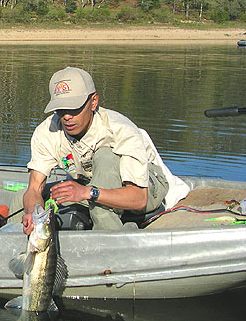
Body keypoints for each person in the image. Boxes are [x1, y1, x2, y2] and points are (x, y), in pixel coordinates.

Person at [22, 67, 190, 231]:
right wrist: (34, 215)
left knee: (105, 158)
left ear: (93, 102)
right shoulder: (47, 131)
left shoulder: (120, 130)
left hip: (144, 188)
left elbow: (139, 198)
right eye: (60, 109)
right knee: (22, 200)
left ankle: (111, 247)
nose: (67, 116)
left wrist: (88, 192)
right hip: (88, 183)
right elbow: (34, 188)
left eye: (74, 108)